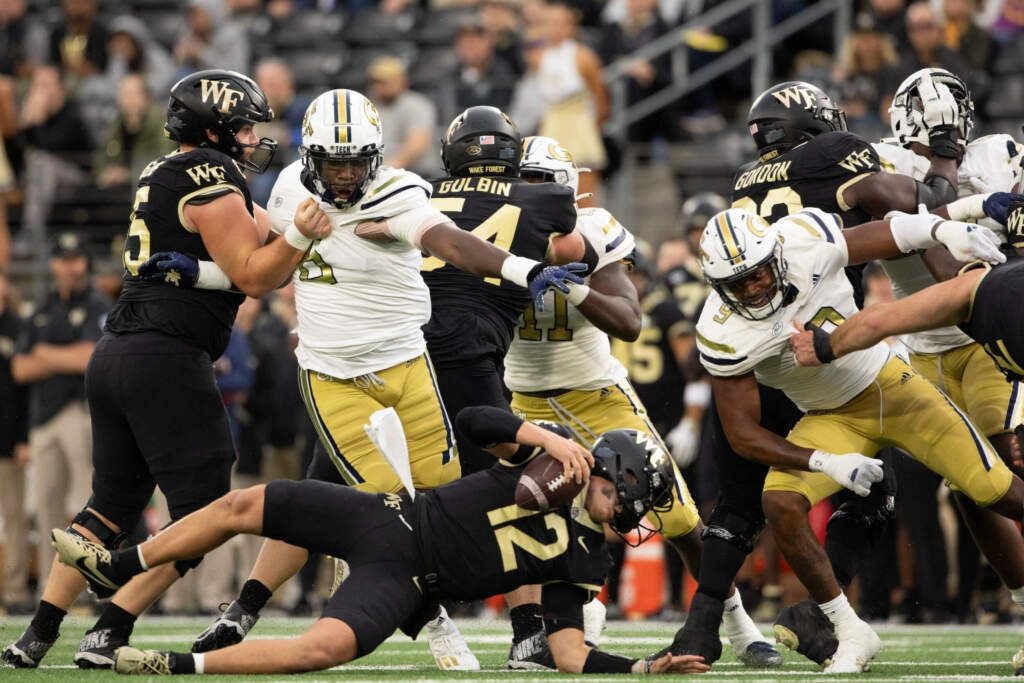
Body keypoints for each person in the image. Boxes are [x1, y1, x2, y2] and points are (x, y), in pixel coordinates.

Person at [178, 90, 585, 672]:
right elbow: (260, 265)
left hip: (409, 361)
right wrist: (240, 256)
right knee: (379, 510)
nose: (344, 175)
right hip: (335, 372)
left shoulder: (401, 189)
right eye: (333, 162)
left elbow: (448, 241)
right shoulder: (290, 187)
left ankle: (259, 606)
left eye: (355, 162)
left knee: (436, 499)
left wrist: (526, 268)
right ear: (311, 155)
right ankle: (433, 620)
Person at [1, 68, 330, 670]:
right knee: (205, 513)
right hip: (165, 357)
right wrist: (303, 238)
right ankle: (110, 627)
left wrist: (288, 242)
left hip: (118, 353)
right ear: (216, 129)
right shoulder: (211, 175)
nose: (253, 137)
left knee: (110, 504)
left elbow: (268, 260)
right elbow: (259, 274)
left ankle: (37, 635)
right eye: (244, 125)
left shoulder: (163, 170)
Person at [661, 77, 977, 671]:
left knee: (737, 500)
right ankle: (818, 616)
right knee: (872, 487)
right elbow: (907, 203)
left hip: (766, 350)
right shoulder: (831, 158)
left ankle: (707, 626)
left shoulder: (742, 184)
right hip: (820, 343)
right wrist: (944, 166)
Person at [52, 406, 709, 677]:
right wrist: (541, 435)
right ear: (612, 474)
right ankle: (120, 564)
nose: (635, 512)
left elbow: (566, 647)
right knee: (244, 503)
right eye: (635, 495)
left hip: (408, 580)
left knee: (327, 646)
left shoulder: (589, 554)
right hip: (386, 515)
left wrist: (639, 667)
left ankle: (172, 664)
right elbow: (473, 421)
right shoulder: (546, 463)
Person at [694, 204, 1019, 673]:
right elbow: (743, 434)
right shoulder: (721, 330)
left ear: (776, 254)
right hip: (829, 416)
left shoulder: (804, 236)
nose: (755, 287)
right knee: (781, 501)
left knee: (999, 492)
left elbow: (887, 233)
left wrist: (943, 227)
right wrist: (825, 461)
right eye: (739, 283)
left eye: (759, 272)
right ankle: (849, 630)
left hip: (890, 389)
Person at [504, 136, 779, 670]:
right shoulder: (485, 234)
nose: (534, 195)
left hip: (596, 394)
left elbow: (629, 321)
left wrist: (570, 286)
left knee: (676, 514)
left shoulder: (593, 231)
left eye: (544, 184)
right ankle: (532, 634)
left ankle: (738, 625)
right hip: (521, 396)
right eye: (526, 183)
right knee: (521, 508)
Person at [872, 66, 1024, 662]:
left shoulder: (1000, 151)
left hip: (987, 338)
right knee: (973, 486)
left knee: (1010, 458)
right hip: (926, 347)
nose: (944, 123)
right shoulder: (884, 162)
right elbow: (916, 214)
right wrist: (980, 203)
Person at [423, 110, 577, 478]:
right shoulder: (547, 198)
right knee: (495, 482)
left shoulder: (420, 191)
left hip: (401, 343)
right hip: (467, 347)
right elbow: (573, 250)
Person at [12, 232, 110, 591]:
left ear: (85, 262)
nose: (70, 266)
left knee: (86, 504)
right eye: (64, 259)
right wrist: (62, 357)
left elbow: (89, 357)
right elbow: (20, 369)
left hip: (80, 413)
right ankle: (51, 590)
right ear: (54, 263)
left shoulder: (98, 304)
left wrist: (45, 355)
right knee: (48, 508)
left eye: (76, 259)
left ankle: (87, 586)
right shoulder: (43, 306)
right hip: (43, 418)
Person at [0, 267, 30, 614]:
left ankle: (15, 589)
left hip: (8, 439)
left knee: (14, 516)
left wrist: (22, 438)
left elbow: (24, 392)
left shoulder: (16, 326)